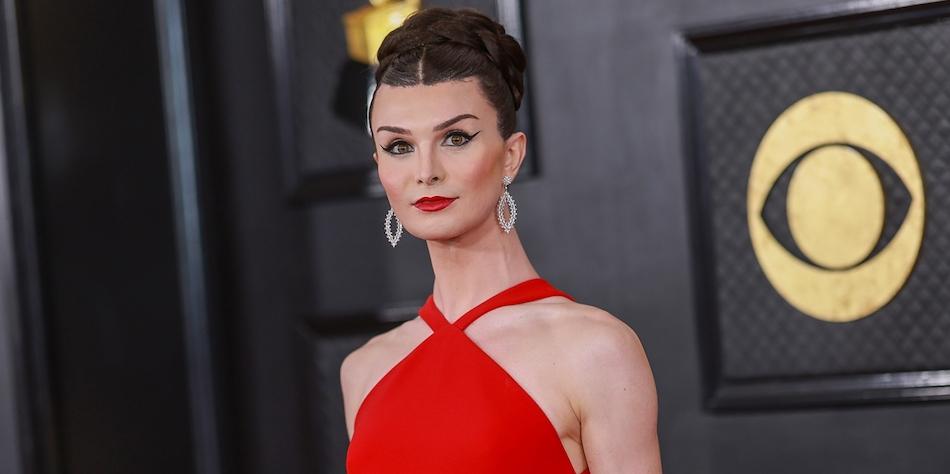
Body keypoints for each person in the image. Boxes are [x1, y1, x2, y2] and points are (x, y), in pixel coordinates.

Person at [340, 6, 661, 473]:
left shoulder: (594, 350)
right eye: (399, 146)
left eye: (456, 138)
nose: (426, 171)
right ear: (380, 166)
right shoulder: (364, 370)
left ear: (511, 155)